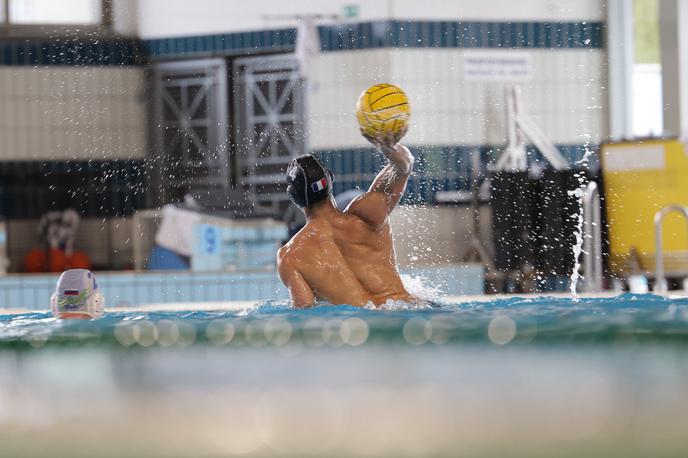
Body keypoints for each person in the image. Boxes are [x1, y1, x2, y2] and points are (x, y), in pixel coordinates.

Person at [277, 133, 415, 307]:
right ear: (330, 179)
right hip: (405, 309)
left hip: (361, 325)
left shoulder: (291, 256)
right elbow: (404, 164)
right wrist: (389, 146)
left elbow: (304, 308)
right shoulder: (367, 213)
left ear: (293, 197)